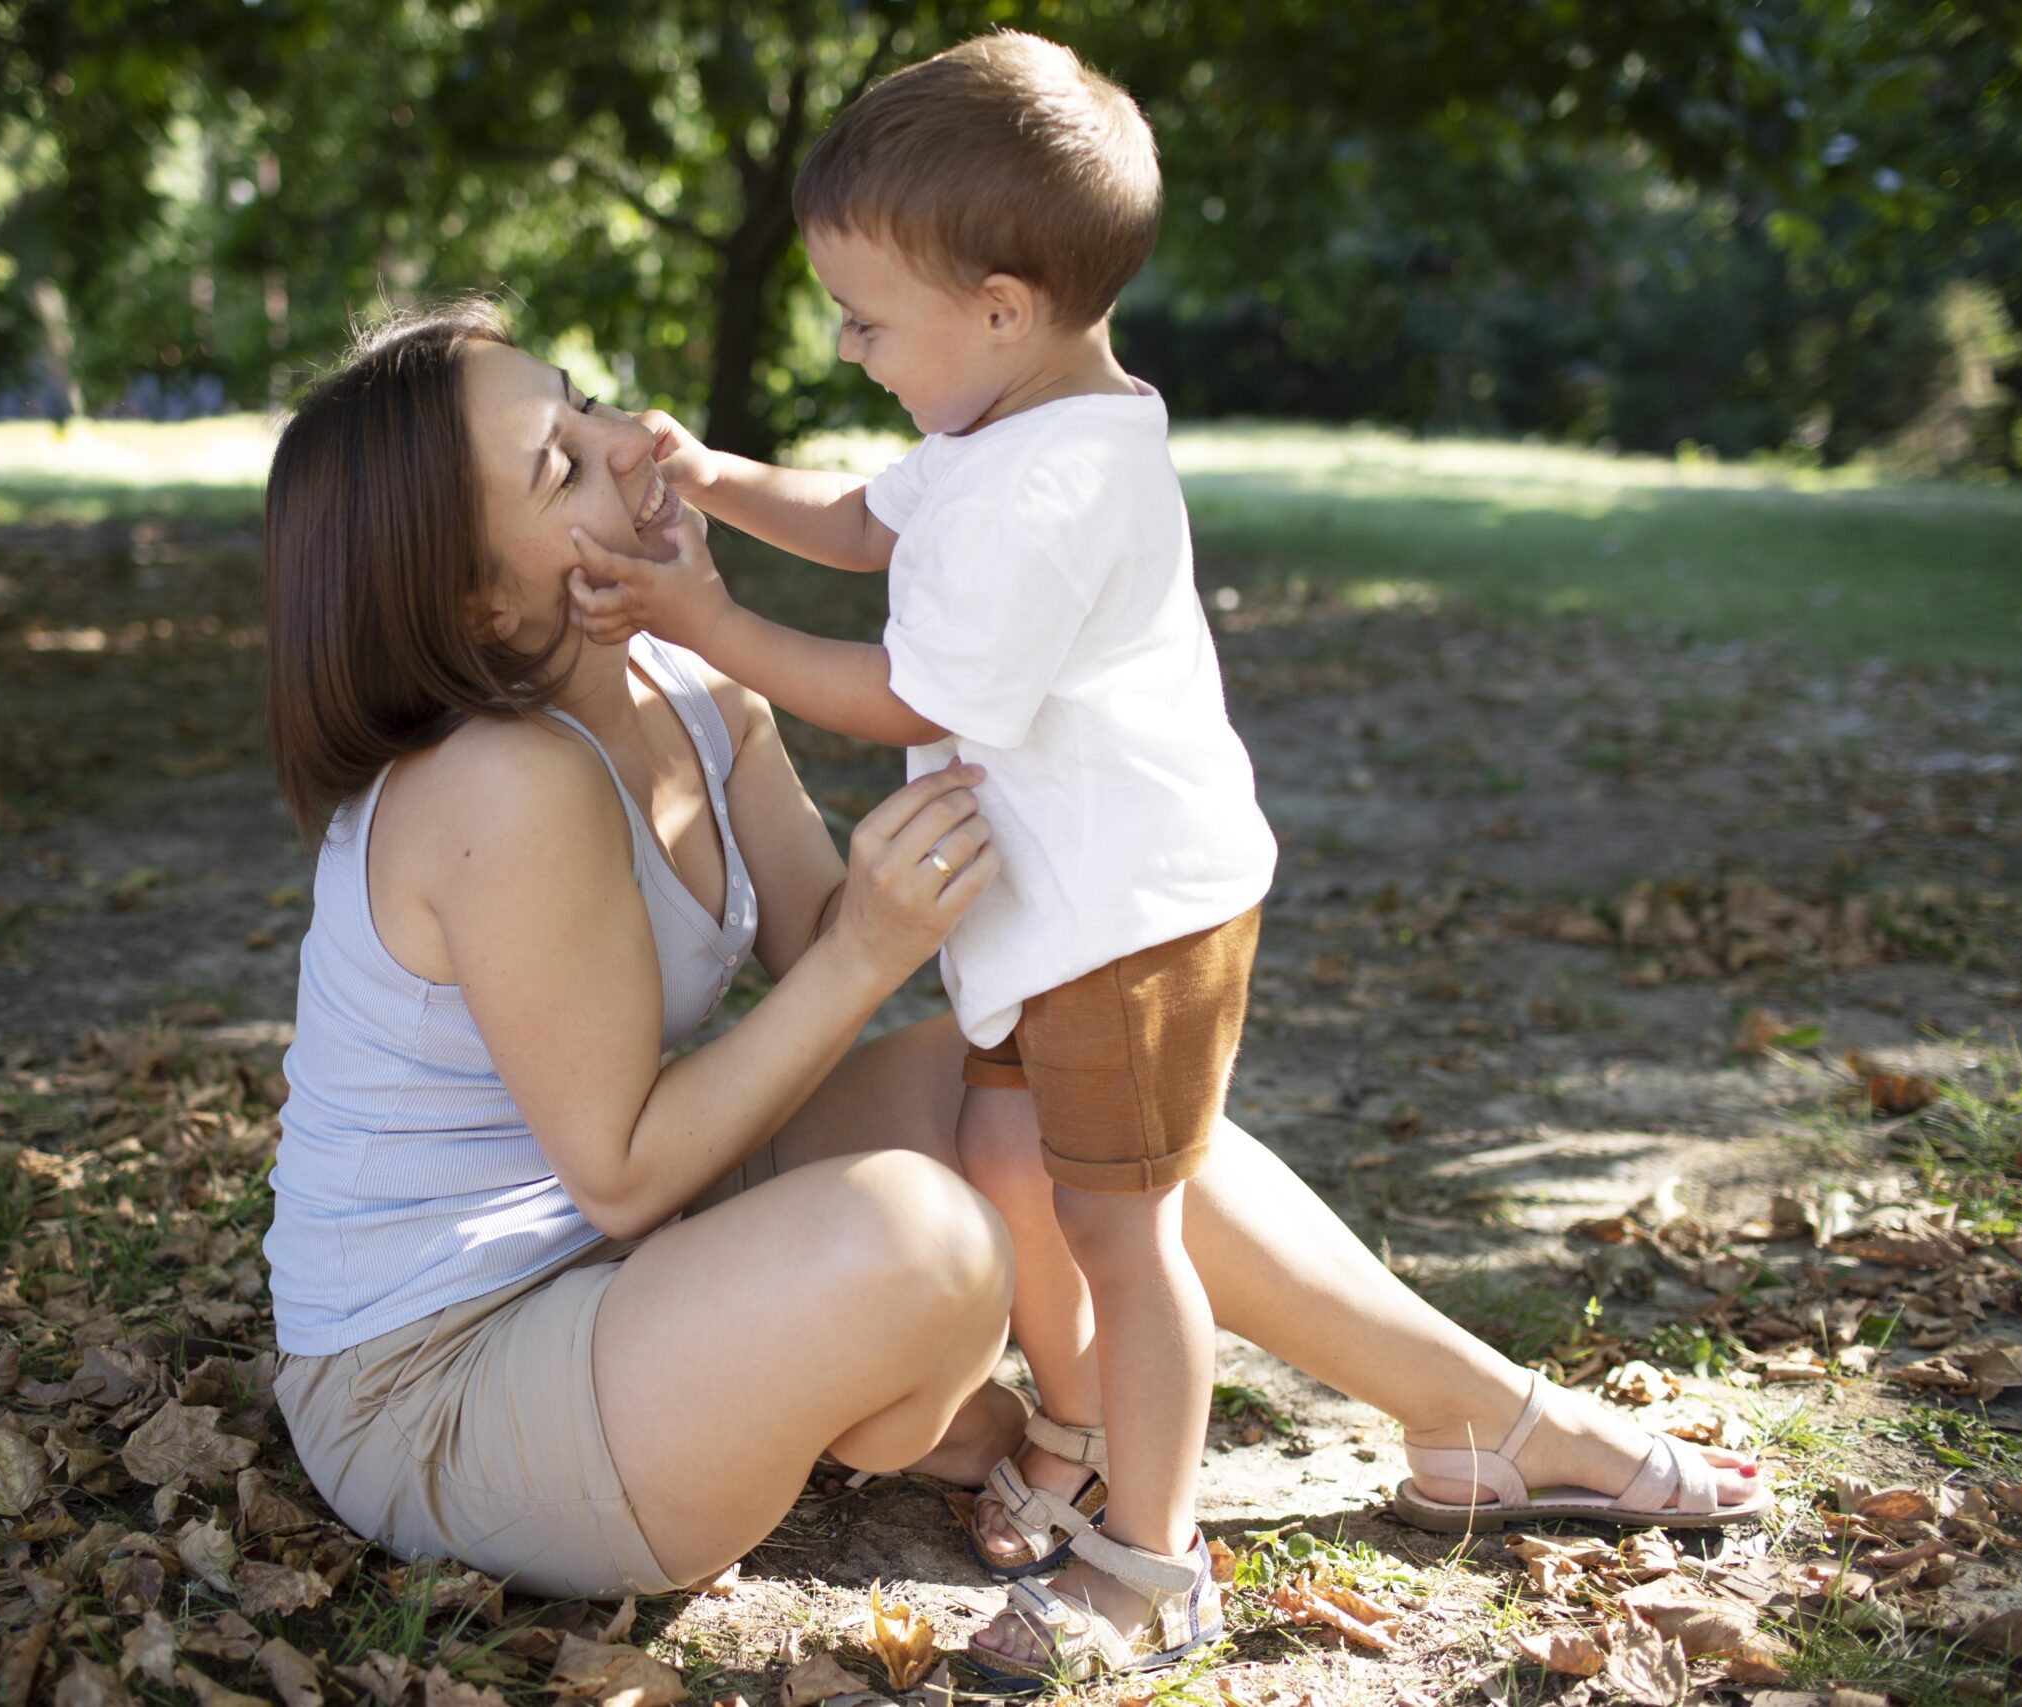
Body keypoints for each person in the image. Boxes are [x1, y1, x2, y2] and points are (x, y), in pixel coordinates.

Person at [257, 299, 1766, 1632]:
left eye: (583, 401)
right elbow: (636, 1165)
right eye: (560, 466)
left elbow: (846, 974)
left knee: (1057, 1079)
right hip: (445, 1383)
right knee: (920, 1244)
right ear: (478, 607)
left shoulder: (691, 687)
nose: (623, 442)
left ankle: (1490, 1421)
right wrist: (865, 941)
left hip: (640, 1261)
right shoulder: (493, 787)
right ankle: (950, 1420)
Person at [560, 31, 1769, 1689]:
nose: (845, 347)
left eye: (865, 317)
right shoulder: (1000, 423)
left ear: (999, 306)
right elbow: (861, 517)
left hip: (1131, 926)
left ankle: (1155, 1552)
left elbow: (904, 691)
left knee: (1128, 1244)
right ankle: (1067, 1430)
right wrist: (719, 486)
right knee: (1009, 1181)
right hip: (1037, 919)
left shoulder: (1062, 482)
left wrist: (705, 615)